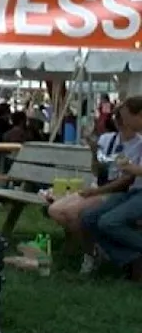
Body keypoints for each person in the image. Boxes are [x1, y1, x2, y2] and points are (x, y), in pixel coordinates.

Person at [51, 111, 129, 272]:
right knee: (55, 210)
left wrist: (95, 192)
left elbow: (126, 181)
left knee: (73, 213)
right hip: (98, 187)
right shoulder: (108, 139)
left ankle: (89, 254)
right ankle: (93, 248)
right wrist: (94, 153)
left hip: (115, 191)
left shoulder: (137, 144)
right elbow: (96, 171)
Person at [81, 95, 142, 281]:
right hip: (134, 191)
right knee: (89, 218)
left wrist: (131, 168)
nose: (124, 122)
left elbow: (132, 173)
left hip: (134, 190)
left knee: (109, 223)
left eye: (126, 117)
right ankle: (130, 260)